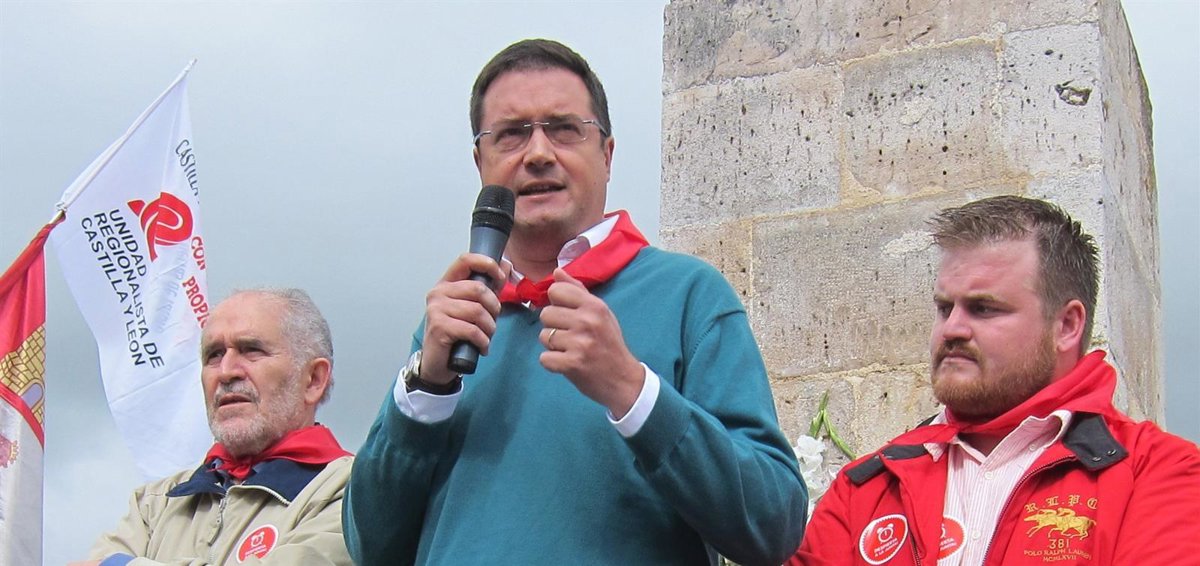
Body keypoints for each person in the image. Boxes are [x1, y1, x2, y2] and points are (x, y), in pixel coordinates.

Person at [343, 39, 806, 566]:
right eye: (511, 134)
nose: (538, 153)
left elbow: (774, 524)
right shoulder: (454, 323)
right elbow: (369, 547)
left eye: (564, 128)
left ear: (607, 155)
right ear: (480, 163)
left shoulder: (688, 295)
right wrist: (426, 387)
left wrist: (631, 390)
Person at [789, 195, 1200, 565]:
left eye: (983, 308)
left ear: (1066, 325)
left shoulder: (1158, 474)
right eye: (944, 308)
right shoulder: (863, 490)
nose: (952, 329)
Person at [72, 289, 354, 566]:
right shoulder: (154, 504)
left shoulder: (355, 494)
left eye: (251, 350)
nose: (226, 371)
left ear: (313, 379)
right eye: (214, 355)